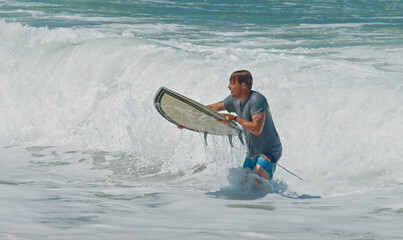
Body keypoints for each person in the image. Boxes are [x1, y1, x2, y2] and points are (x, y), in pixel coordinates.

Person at [207, 70, 282, 182]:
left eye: (232, 83)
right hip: (252, 152)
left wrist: (235, 118)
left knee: (257, 180)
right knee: (243, 184)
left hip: (270, 151)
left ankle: (272, 197)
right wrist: (187, 119)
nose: (228, 86)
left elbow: (257, 129)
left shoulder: (257, 100)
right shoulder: (234, 99)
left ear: (243, 86)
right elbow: (214, 107)